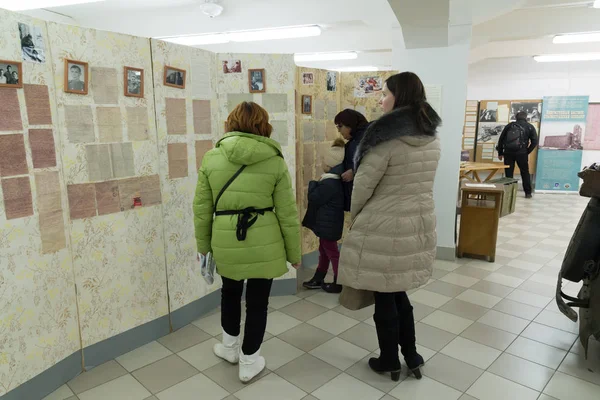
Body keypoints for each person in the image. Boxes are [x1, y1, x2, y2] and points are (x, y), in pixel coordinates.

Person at [338, 72, 441, 382]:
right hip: (417, 223)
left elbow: (362, 188)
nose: (380, 100)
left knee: (385, 295)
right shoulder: (430, 137)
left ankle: (389, 361)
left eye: (384, 94)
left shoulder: (385, 139)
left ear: (400, 97)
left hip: (383, 225)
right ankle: (412, 355)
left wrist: (355, 219)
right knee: (399, 293)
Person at [193, 101, 301, 383]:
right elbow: (287, 212)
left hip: (225, 236)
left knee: (229, 293)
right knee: (258, 302)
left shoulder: (211, 157)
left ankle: (229, 348)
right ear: (263, 126)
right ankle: (249, 361)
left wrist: (203, 247)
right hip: (265, 237)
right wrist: (294, 253)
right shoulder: (275, 159)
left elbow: (202, 208)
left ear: (230, 123)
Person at [302, 138, 346, 293]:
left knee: (332, 252)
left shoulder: (329, 183)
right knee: (324, 251)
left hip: (329, 224)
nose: (321, 164)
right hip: (329, 223)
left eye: (323, 161)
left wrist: (314, 183)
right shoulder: (334, 181)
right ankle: (318, 278)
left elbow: (314, 197)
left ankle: (339, 282)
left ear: (329, 165)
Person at [333, 109, 370, 211]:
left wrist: (354, 172)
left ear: (350, 124)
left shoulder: (365, 139)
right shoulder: (355, 140)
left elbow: (375, 165)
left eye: (340, 126)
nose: (339, 131)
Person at [496, 111, 538, 198]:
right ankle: (528, 193)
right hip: (522, 153)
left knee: (508, 173)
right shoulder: (529, 127)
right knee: (525, 172)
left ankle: (509, 192)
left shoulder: (509, 126)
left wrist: (500, 153)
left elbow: (501, 140)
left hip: (508, 153)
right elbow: (534, 141)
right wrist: (527, 151)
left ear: (516, 117)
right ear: (526, 118)